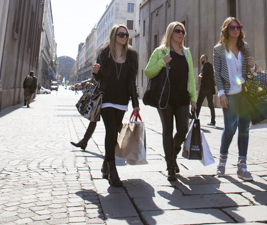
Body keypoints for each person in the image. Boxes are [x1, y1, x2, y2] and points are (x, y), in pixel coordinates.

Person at [145, 21, 197, 181]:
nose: (180, 33)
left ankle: (172, 156)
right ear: (170, 33)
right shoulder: (160, 51)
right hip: (165, 98)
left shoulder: (186, 53)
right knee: (167, 129)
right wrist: (163, 62)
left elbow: (192, 78)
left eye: (182, 31)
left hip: (182, 98)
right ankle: (170, 168)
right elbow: (148, 72)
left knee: (183, 129)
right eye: (177, 31)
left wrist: (193, 98)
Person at [92, 24, 139, 186]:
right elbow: (100, 80)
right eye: (121, 34)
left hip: (121, 101)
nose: (124, 37)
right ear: (114, 36)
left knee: (115, 134)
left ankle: (106, 164)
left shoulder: (131, 55)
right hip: (106, 99)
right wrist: (95, 72)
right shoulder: (104, 53)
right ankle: (113, 171)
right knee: (111, 131)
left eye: (126, 35)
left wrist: (135, 103)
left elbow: (131, 81)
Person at [213, 17, 256, 181]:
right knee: (230, 128)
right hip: (229, 94)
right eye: (232, 27)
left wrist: (252, 65)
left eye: (238, 27)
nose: (236, 30)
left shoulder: (245, 48)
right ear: (226, 30)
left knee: (244, 129)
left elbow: (252, 71)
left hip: (244, 94)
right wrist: (221, 93)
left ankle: (242, 166)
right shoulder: (218, 50)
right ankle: (222, 161)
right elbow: (217, 73)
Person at [71, 79, 98, 151]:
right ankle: (84, 141)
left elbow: (96, 76)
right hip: (100, 95)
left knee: (114, 123)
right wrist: (82, 84)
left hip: (107, 97)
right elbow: (94, 77)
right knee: (93, 119)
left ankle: (128, 138)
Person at [196, 54, 216, 126]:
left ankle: (195, 118)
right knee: (211, 104)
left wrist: (200, 77)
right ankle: (213, 120)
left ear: (205, 59)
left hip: (204, 88)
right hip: (210, 88)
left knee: (198, 104)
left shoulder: (205, 67)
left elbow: (204, 77)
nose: (200, 61)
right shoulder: (210, 66)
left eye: (201, 59)